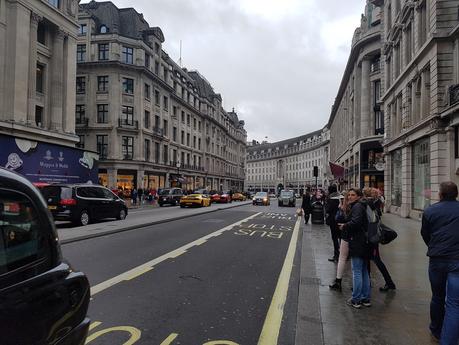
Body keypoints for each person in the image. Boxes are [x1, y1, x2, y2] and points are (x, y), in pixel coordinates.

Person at [421, 181, 459, 343]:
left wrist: (434, 246)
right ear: (456, 194)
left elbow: (425, 234)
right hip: (457, 260)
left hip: (437, 260)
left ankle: (436, 329)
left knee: (437, 296)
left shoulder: (430, 211)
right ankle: (448, 339)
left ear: (440, 194)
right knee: (454, 303)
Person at [338, 188, 371, 309]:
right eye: (349, 195)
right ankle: (366, 298)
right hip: (365, 242)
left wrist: (345, 225)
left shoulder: (357, 207)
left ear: (358, 196)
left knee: (357, 271)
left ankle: (356, 299)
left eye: (353, 195)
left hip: (358, 242)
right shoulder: (363, 205)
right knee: (364, 271)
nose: (350, 197)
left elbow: (356, 222)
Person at [363, 187, 396, 292]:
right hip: (373, 235)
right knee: (369, 259)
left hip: (372, 236)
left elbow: (371, 220)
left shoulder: (369, 204)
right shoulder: (375, 203)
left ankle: (389, 282)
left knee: (376, 260)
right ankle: (368, 281)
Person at [329, 191, 350, 292]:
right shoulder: (351, 206)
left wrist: (341, 209)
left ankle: (339, 282)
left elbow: (340, 218)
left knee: (343, 258)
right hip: (347, 234)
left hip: (347, 234)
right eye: (349, 195)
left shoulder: (351, 207)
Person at [326, 185, 341, 262]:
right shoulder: (341, 197)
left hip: (333, 221)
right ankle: (344, 254)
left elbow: (328, 210)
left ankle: (336, 255)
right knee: (342, 238)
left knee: (335, 238)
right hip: (342, 221)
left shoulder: (331, 199)